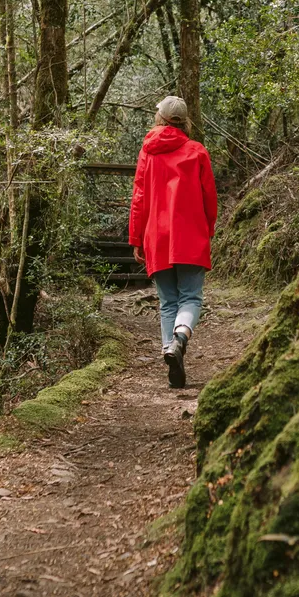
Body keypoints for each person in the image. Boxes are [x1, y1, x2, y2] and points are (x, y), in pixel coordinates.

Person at [128, 96, 218, 388]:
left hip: (157, 235)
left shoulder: (148, 151)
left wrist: (136, 238)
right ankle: (180, 339)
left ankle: (171, 351)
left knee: (168, 302)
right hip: (190, 235)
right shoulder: (197, 151)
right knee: (190, 297)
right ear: (183, 121)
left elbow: (140, 197)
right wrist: (208, 229)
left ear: (161, 119)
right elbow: (209, 197)